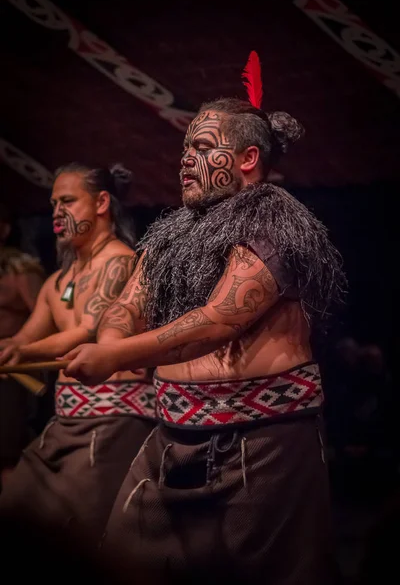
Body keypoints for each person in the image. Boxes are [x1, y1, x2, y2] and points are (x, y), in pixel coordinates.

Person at [63, 95, 347, 584]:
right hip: (171, 439)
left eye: (201, 148)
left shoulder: (273, 220)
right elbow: (129, 304)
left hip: (261, 447)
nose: (185, 161)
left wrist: (115, 355)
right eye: (184, 150)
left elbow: (219, 320)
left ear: (247, 159)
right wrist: (111, 339)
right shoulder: (173, 231)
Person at [0, 163, 156, 546]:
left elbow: (89, 331)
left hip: (116, 420)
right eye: (53, 203)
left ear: (102, 202)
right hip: (66, 421)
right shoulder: (57, 282)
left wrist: (22, 350)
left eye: (68, 200)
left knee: (74, 537)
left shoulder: (120, 261)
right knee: (15, 506)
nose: (57, 211)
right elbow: (23, 340)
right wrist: (10, 351)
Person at [0, 204, 45, 484]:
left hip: (11, 373)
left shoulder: (20, 269)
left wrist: (20, 349)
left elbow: (44, 322)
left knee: (6, 451)